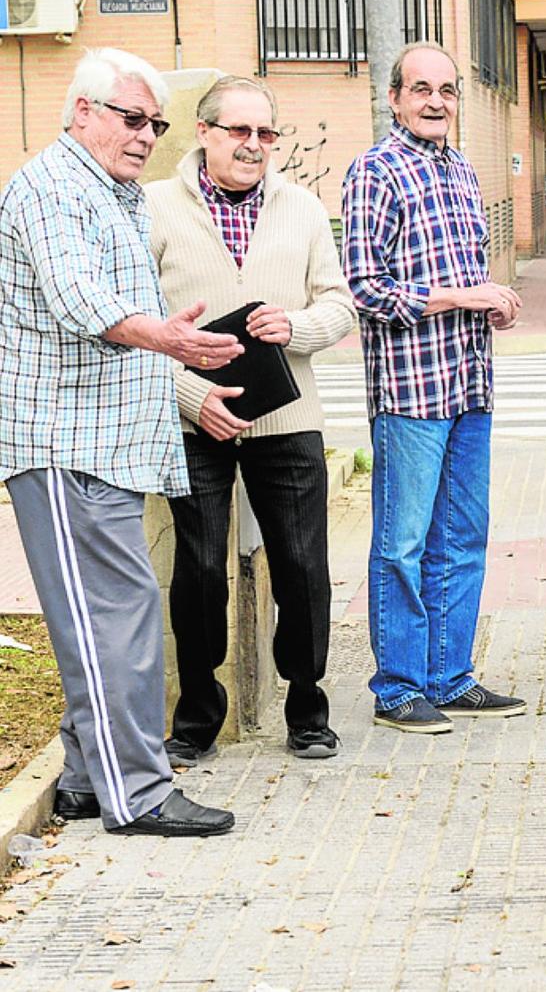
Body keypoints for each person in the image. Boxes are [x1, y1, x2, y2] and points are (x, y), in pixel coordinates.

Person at [0, 49, 242, 835]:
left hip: (108, 447)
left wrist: (188, 387)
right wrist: (172, 343)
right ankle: (138, 795)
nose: (146, 136)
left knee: (109, 617)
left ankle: (81, 778)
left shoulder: (114, 193)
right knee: (114, 621)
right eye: (132, 118)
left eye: (156, 124)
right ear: (83, 111)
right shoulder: (52, 187)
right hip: (65, 447)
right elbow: (80, 300)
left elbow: (131, 327)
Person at [145, 76, 357, 765]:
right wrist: (191, 398)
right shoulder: (152, 208)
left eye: (266, 133)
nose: (255, 145)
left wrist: (294, 326)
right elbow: (134, 329)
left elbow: (339, 305)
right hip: (193, 419)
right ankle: (198, 714)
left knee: (302, 566)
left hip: (288, 414)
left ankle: (308, 707)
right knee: (201, 570)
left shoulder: (302, 208)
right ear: (203, 132)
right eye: (239, 130)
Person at [341, 42, 525, 735]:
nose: (435, 102)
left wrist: (492, 303)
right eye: (421, 89)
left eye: (447, 90)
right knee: (402, 545)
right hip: (410, 393)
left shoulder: (463, 170)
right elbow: (366, 289)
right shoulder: (375, 171)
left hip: (469, 383)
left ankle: (450, 676)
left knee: (464, 538)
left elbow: (461, 277)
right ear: (394, 98)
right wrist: (460, 296)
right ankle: (397, 689)